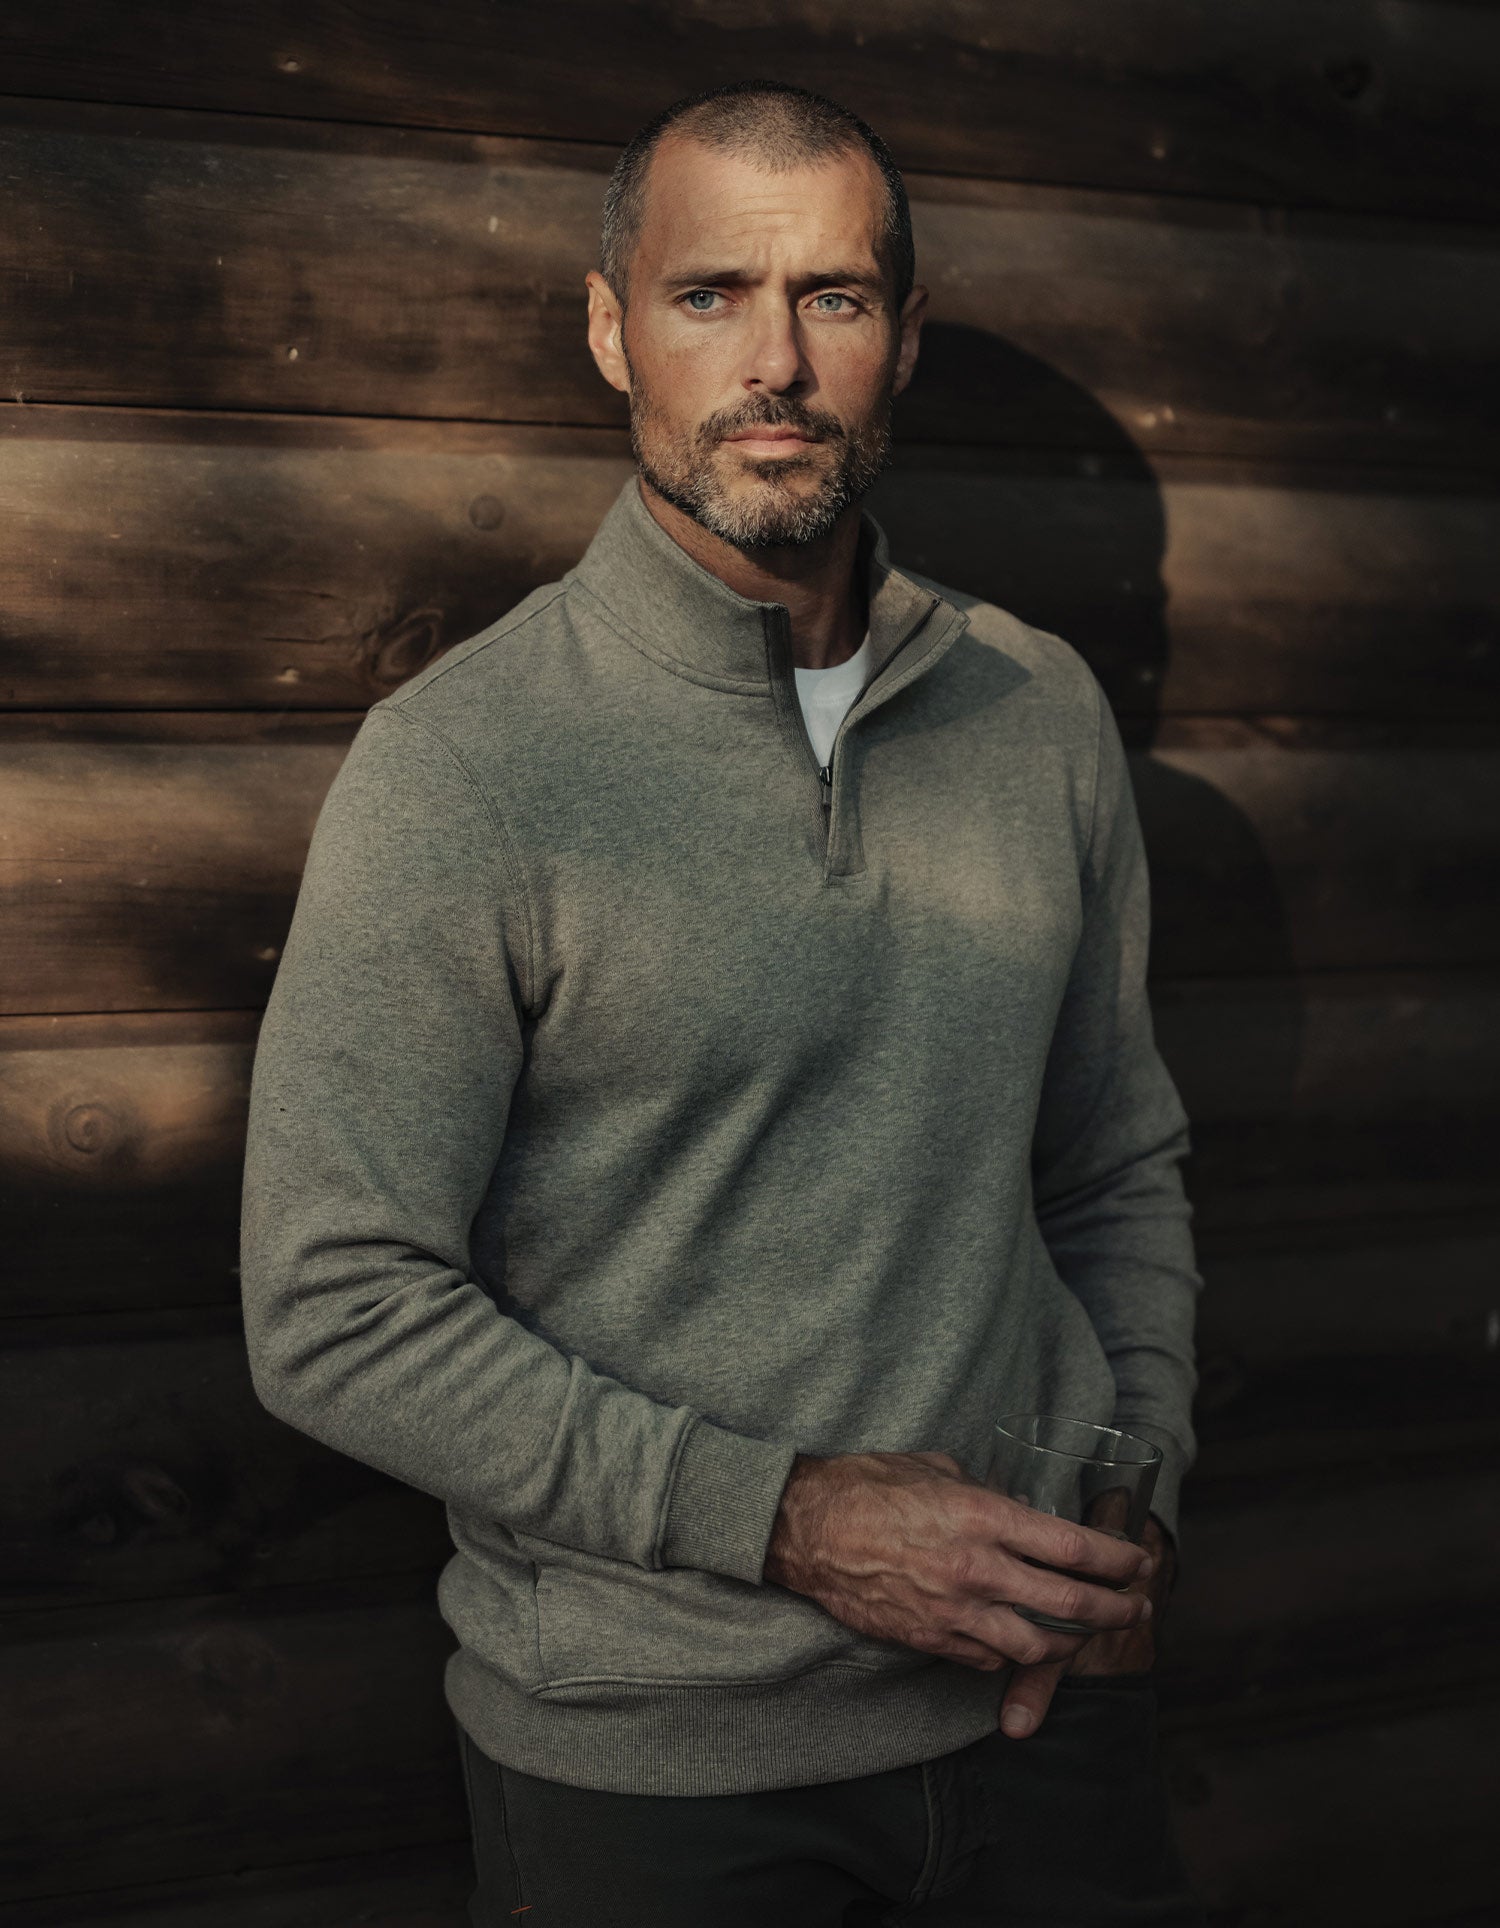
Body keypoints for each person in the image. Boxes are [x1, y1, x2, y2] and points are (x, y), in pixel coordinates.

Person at [240, 78, 1205, 1926]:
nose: (776, 362)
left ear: (902, 335)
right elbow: (330, 1308)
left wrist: (1131, 1487)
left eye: (834, 296)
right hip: (658, 1785)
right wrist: (786, 1519)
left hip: (1046, 1728)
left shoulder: (1037, 709)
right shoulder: (467, 763)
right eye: (710, 295)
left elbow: (1114, 1167)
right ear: (614, 330)